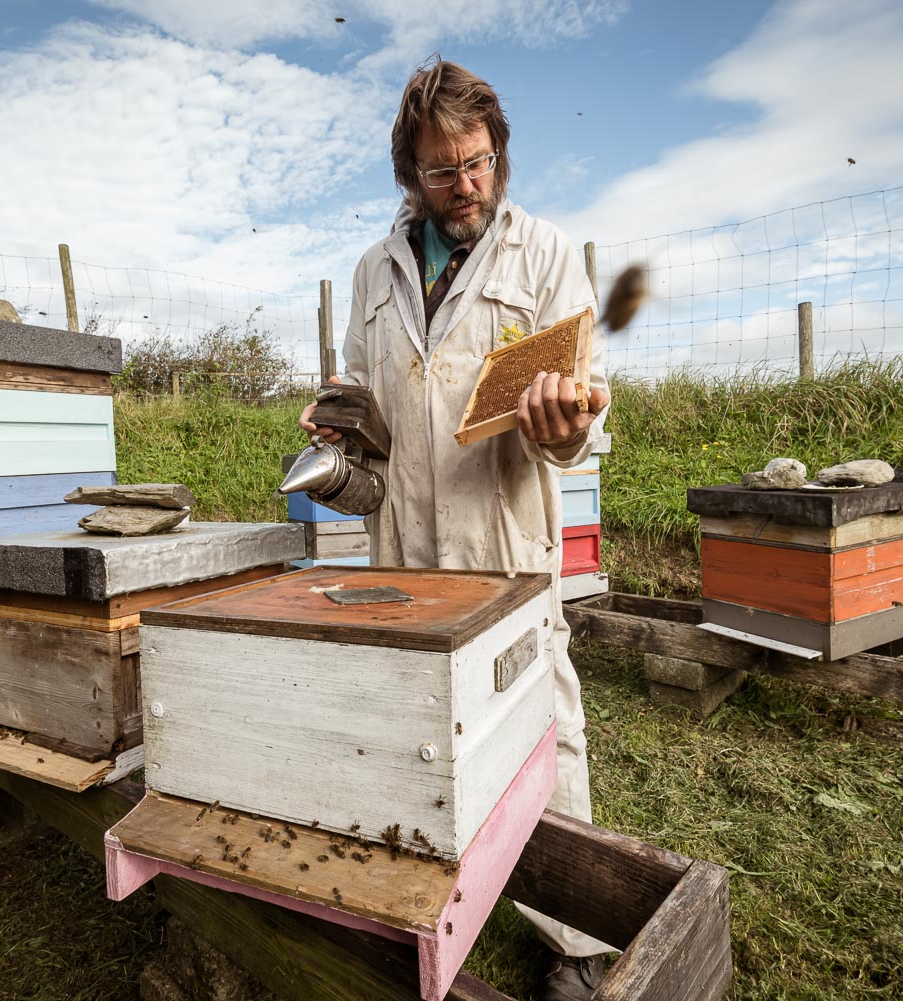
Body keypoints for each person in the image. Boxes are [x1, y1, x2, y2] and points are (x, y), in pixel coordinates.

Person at [299, 57, 613, 1000]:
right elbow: (369, 399)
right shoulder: (372, 272)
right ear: (410, 178)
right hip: (402, 549)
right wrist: (342, 421)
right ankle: (425, 905)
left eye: (479, 162)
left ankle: (578, 941)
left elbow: (585, 413)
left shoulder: (546, 253)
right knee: (415, 732)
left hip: (502, 541)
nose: (466, 185)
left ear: (498, 153)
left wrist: (571, 422)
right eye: (443, 172)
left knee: (539, 726)